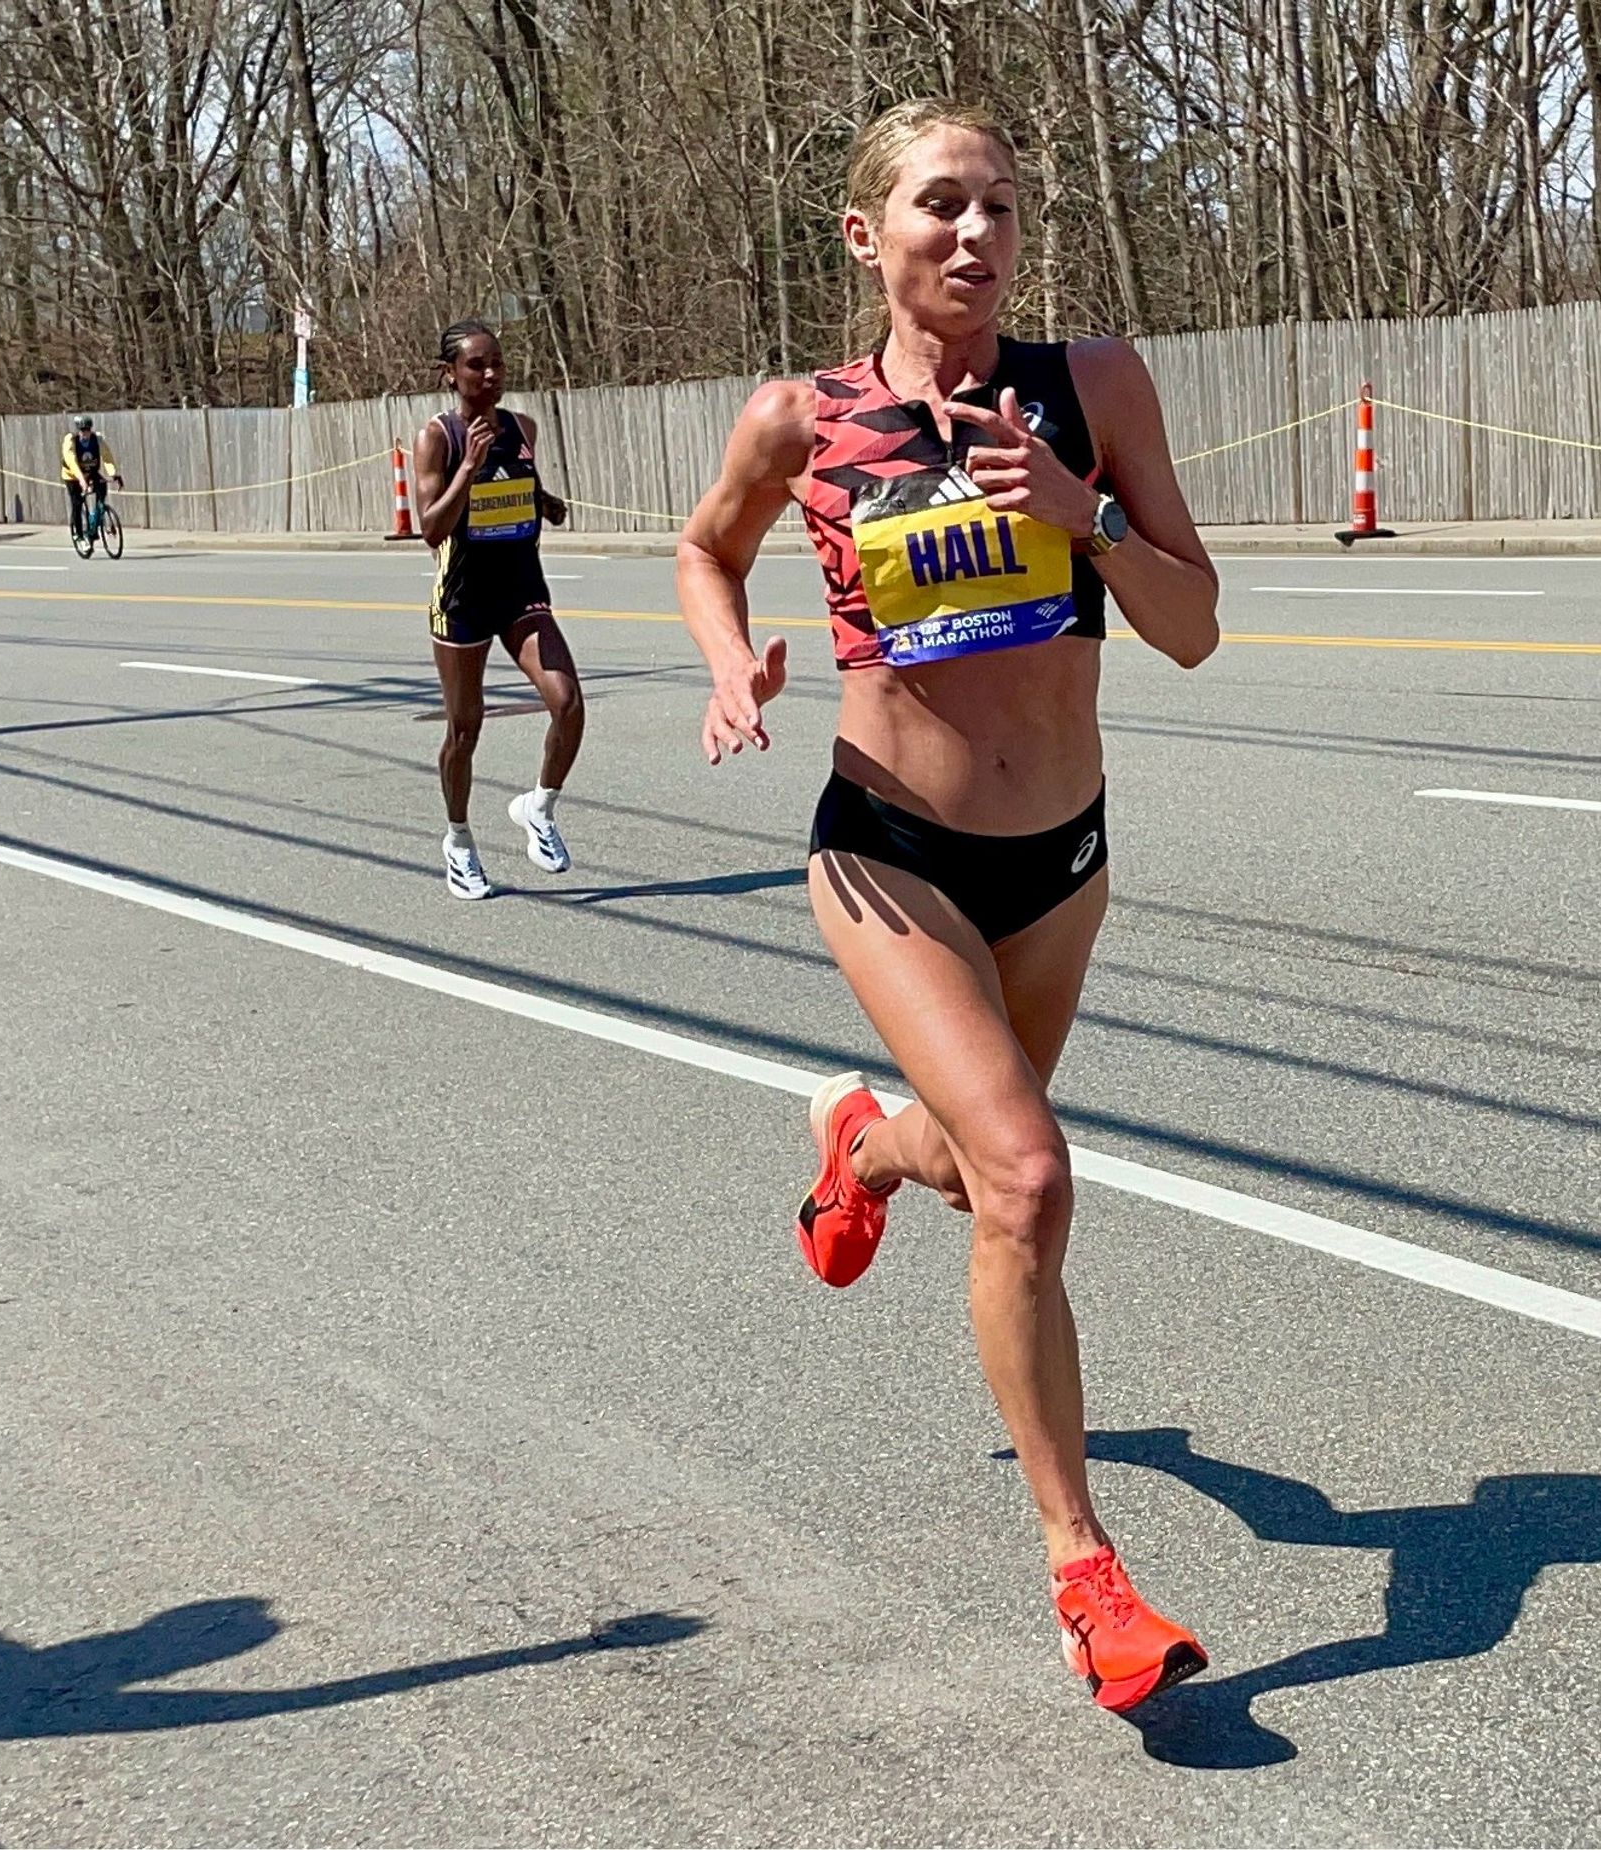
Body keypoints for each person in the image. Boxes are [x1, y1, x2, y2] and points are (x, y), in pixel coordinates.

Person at [676, 99, 1221, 1712]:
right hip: (888, 848)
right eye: (938, 206)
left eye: (996, 206)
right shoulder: (803, 418)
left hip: (1060, 858)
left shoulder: (1093, 386)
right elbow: (706, 553)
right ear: (869, 236)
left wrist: (1086, 512)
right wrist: (730, 662)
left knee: (984, 1163)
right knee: (1033, 1179)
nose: (974, 234)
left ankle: (862, 1145)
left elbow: (1191, 627)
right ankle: (1087, 1577)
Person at [413, 320, 582, 899]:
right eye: (477, 366)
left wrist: (547, 503)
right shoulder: (437, 438)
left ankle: (539, 806)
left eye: (498, 364)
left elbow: (519, 486)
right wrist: (467, 467)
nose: (491, 375)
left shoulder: (521, 427)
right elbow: (432, 529)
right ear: (450, 374)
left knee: (568, 702)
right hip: (463, 598)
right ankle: (458, 840)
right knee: (466, 728)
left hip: (520, 590)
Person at [60, 414, 120, 540]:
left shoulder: (97, 439)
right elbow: (71, 462)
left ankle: (95, 522)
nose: (85, 433)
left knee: (102, 491)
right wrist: (81, 480)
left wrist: (113, 473)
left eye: (87, 430)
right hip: (72, 476)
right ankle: (79, 535)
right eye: (82, 430)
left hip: (90, 471)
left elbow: (107, 456)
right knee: (77, 503)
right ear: (77, 430)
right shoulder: (70, 440)